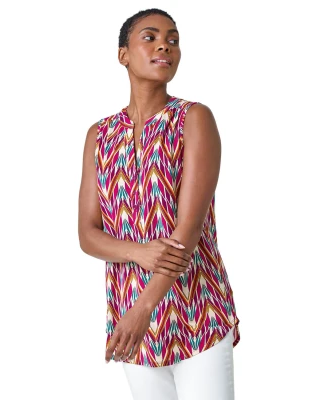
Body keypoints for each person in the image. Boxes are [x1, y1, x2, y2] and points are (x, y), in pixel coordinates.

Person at [78, 8, 240, 400]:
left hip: (196, 312)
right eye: (150, 37)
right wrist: (138, 253)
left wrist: (143, 309)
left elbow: (189, 230)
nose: (164, 46)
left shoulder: (193, 119)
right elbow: (87, 234)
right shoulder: (100, 135)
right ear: (123, 55)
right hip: (131, 319)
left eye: (173, 40)